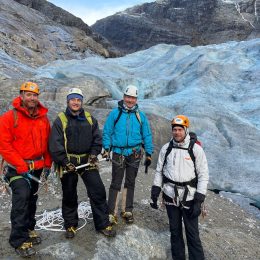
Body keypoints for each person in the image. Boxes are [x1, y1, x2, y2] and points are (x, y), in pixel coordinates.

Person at [49, 88, 115, 239]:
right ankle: (71, 224)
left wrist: (93, 154)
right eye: (73, 99)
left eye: (78, 100)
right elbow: (55, 144)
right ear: (68, 101)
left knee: (97, 191)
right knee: (69, 194)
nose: (76, 102)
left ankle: (103, 224)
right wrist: (65, 162)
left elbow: (97, 139)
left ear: (81, 101)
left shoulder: (90, 119)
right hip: (68, 162)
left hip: (87, 161)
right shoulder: (61, 120)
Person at [0, 82, 52, 257]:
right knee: (21, 200)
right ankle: (18, 240)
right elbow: (4, 145)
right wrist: (20, 165)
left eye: (34, 95)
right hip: (17, 169)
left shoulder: (43, 119)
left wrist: (47, 164)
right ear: (21, 95)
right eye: (28, 94)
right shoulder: (9, 117)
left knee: (31, 200)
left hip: (36, 167)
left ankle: (29, 228)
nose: (32, 98)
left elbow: (47, 144)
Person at [150, 115, 209, 260]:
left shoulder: (195, 150)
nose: (177, 132)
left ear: (186, 130)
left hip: (189, 197)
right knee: (175, 231)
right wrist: (155, 191)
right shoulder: (166, 148)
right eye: (174, 129)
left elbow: (203, 175)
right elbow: (159, 171)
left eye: (180, 130)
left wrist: (199, 200)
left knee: (192, 233)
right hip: (170, 195)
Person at [102, 85, 153, 224]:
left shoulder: (140, 116)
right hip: (118, 152)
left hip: (135, 153)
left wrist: (149, 152)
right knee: (115, 183)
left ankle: (127, 210)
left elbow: (147, 135)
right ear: (124, 97)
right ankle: (111, 212)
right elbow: (107, 131)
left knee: (130, 182)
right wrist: (106, 148)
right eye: (128, 97)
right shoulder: (115, 113)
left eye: (133, 98)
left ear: (136, 99)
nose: (130, 100)